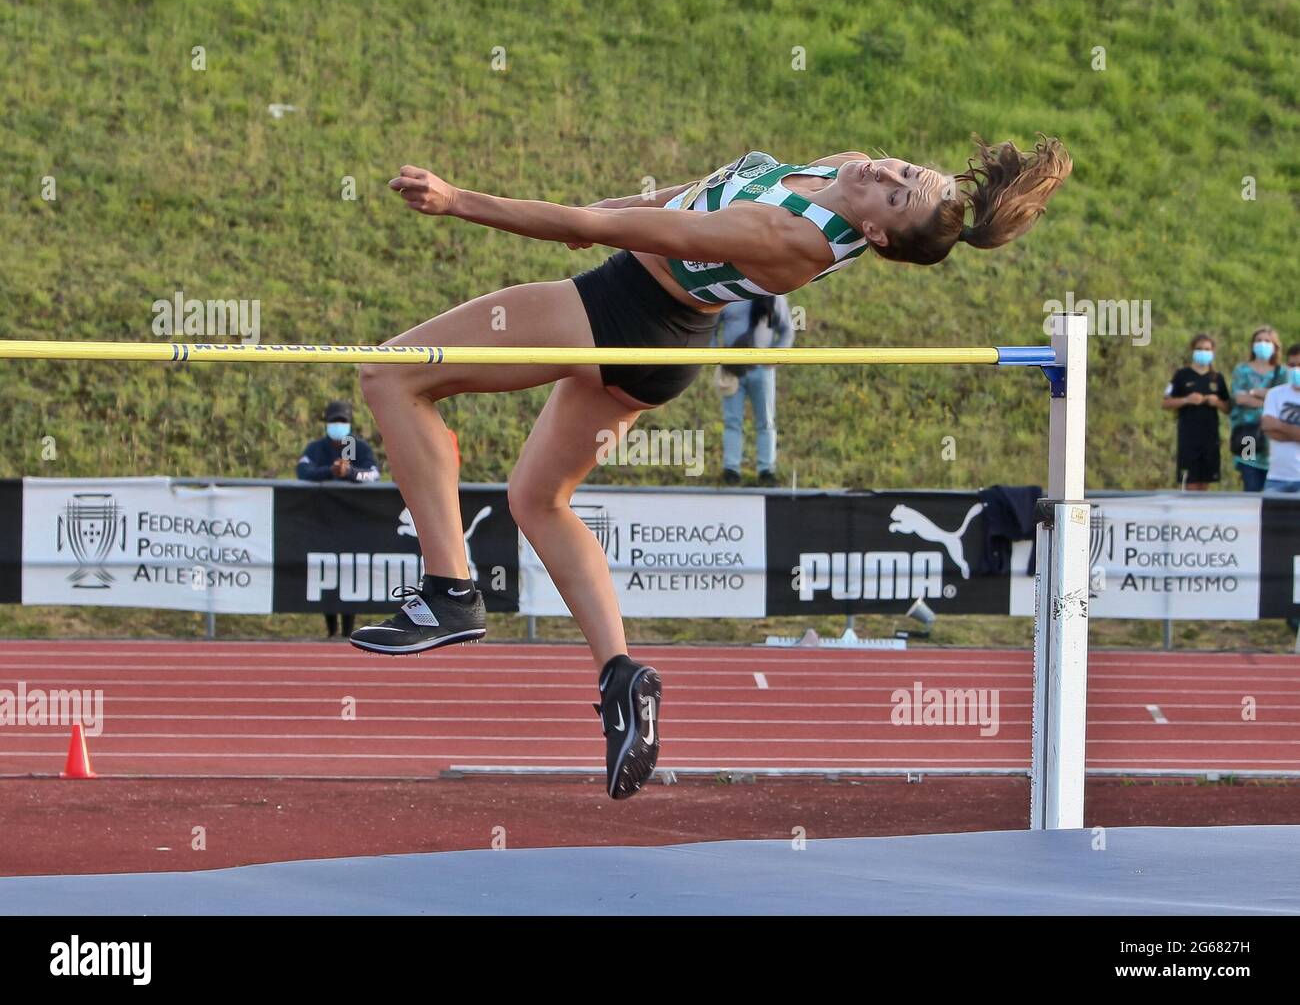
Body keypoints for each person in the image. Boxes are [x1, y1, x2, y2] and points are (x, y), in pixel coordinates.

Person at [351, 137, 1072, 800]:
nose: (883, 172)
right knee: (537, 499)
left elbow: (642, 235)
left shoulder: (790, 239)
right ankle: (621, 677)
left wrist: (462, 202)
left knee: (389, 375)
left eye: (894, 192)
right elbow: (696, 192)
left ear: (878, 233)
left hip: (621, 315)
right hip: (661, 336)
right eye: (903, 170)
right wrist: (612, 207)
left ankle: (448, 590)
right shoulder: (847, 165)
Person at [296, 399, 380, 637]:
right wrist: (329, 472)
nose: (338, 425)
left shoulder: (358, 448)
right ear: (327, 423)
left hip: (352, 521)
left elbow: (373, 474)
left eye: (342, 421)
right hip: (324, 520)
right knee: (326, 572)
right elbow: (302, 471)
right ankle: (331, 631)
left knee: (349, 572)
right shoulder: (316, 448)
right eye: (334, 421)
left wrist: (350, 472)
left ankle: (347, 631)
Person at [716, 295, 794, 485]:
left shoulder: (774, 295)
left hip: (762, 368)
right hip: (732, 367)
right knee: (732, 420)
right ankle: (731, 469)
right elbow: (711, 326)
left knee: (766, 420)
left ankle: (766, 469)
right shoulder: (730, 293)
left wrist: (775, 356)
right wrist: (715, 356)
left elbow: (787, 330)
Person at [1161, 334, 1229, 490]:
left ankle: (1202, 513)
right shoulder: (1181, 375)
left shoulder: (1217, 378)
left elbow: (1228, 408)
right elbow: (1165, 402)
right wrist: (1186, 400)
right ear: (1192, 351)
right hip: (1188, 437)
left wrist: (1216, 402)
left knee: (1205, 481)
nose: (1203, 352)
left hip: (1210, 436)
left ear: (1212, 352)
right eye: (1199, 349)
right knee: (1190, 481)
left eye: (1207, 349)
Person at [1229, 326, 1284, 492]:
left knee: (1272, 486)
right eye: (1259, 340)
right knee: (1250, 481)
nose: (1262, 344)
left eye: (1267, 341)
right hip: (1247, 434)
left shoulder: (1282, 372)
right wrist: (1266, 398)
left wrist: (1253, 393)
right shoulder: (1242, 370)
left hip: (1273, 436)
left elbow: (1283, 399)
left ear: (1275, 346)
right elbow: (1239, 398)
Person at [1261, 343, 1300, 494]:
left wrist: (1279, 425)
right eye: (1292, 365)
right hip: (1276, 477)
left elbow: (1274, 426)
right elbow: (1267, 427)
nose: (1296, 369)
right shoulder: (1275, 394)